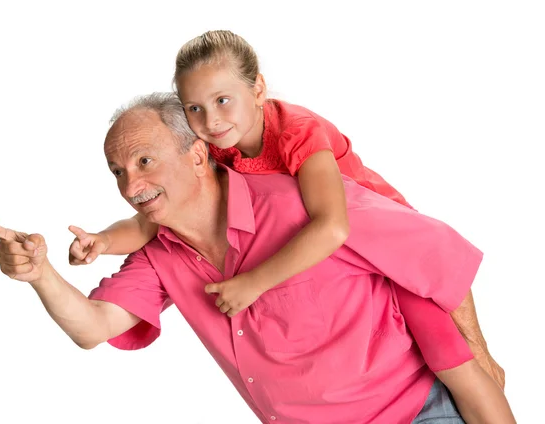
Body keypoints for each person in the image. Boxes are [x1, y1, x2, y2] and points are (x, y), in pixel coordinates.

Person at [0, 93, 515, 423]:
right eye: (117, 171)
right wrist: (39, 274)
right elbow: (93, 327)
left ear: (196, 153)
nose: (130, 184)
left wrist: (480, 353)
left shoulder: (301, 203)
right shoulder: (161, 254)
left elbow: (437, 257)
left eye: (144, 160)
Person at [68, 31, 501, 379]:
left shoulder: (297, 132)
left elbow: (332, 225)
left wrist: (253, 283)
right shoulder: (217, 146)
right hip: (337, 259)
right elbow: (148, 223)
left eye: (223, 100)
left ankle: (488, 365)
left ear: (257, 88)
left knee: (459, 357)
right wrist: (102, 241)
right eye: (194, 108)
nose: (211, 121)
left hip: (380, 236)